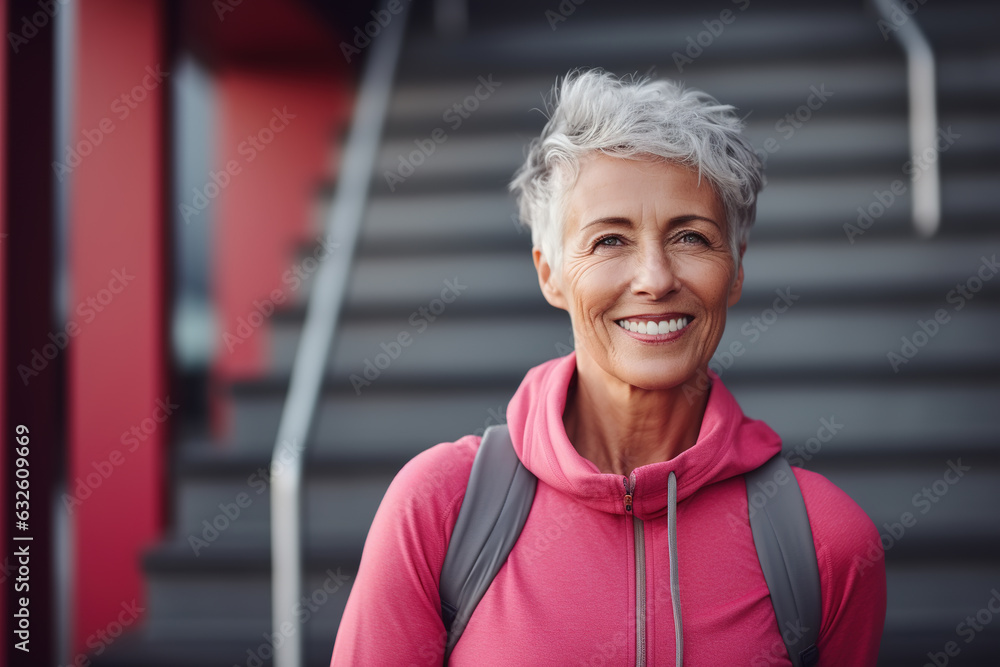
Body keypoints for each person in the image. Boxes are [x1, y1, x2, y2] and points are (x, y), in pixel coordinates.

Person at [330, 68, 886, 666]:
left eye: (692, 238)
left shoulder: (827, 541)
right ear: (549, 273)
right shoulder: (439, 508)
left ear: (738, 268)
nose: (655, 278)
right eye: (609, 241)